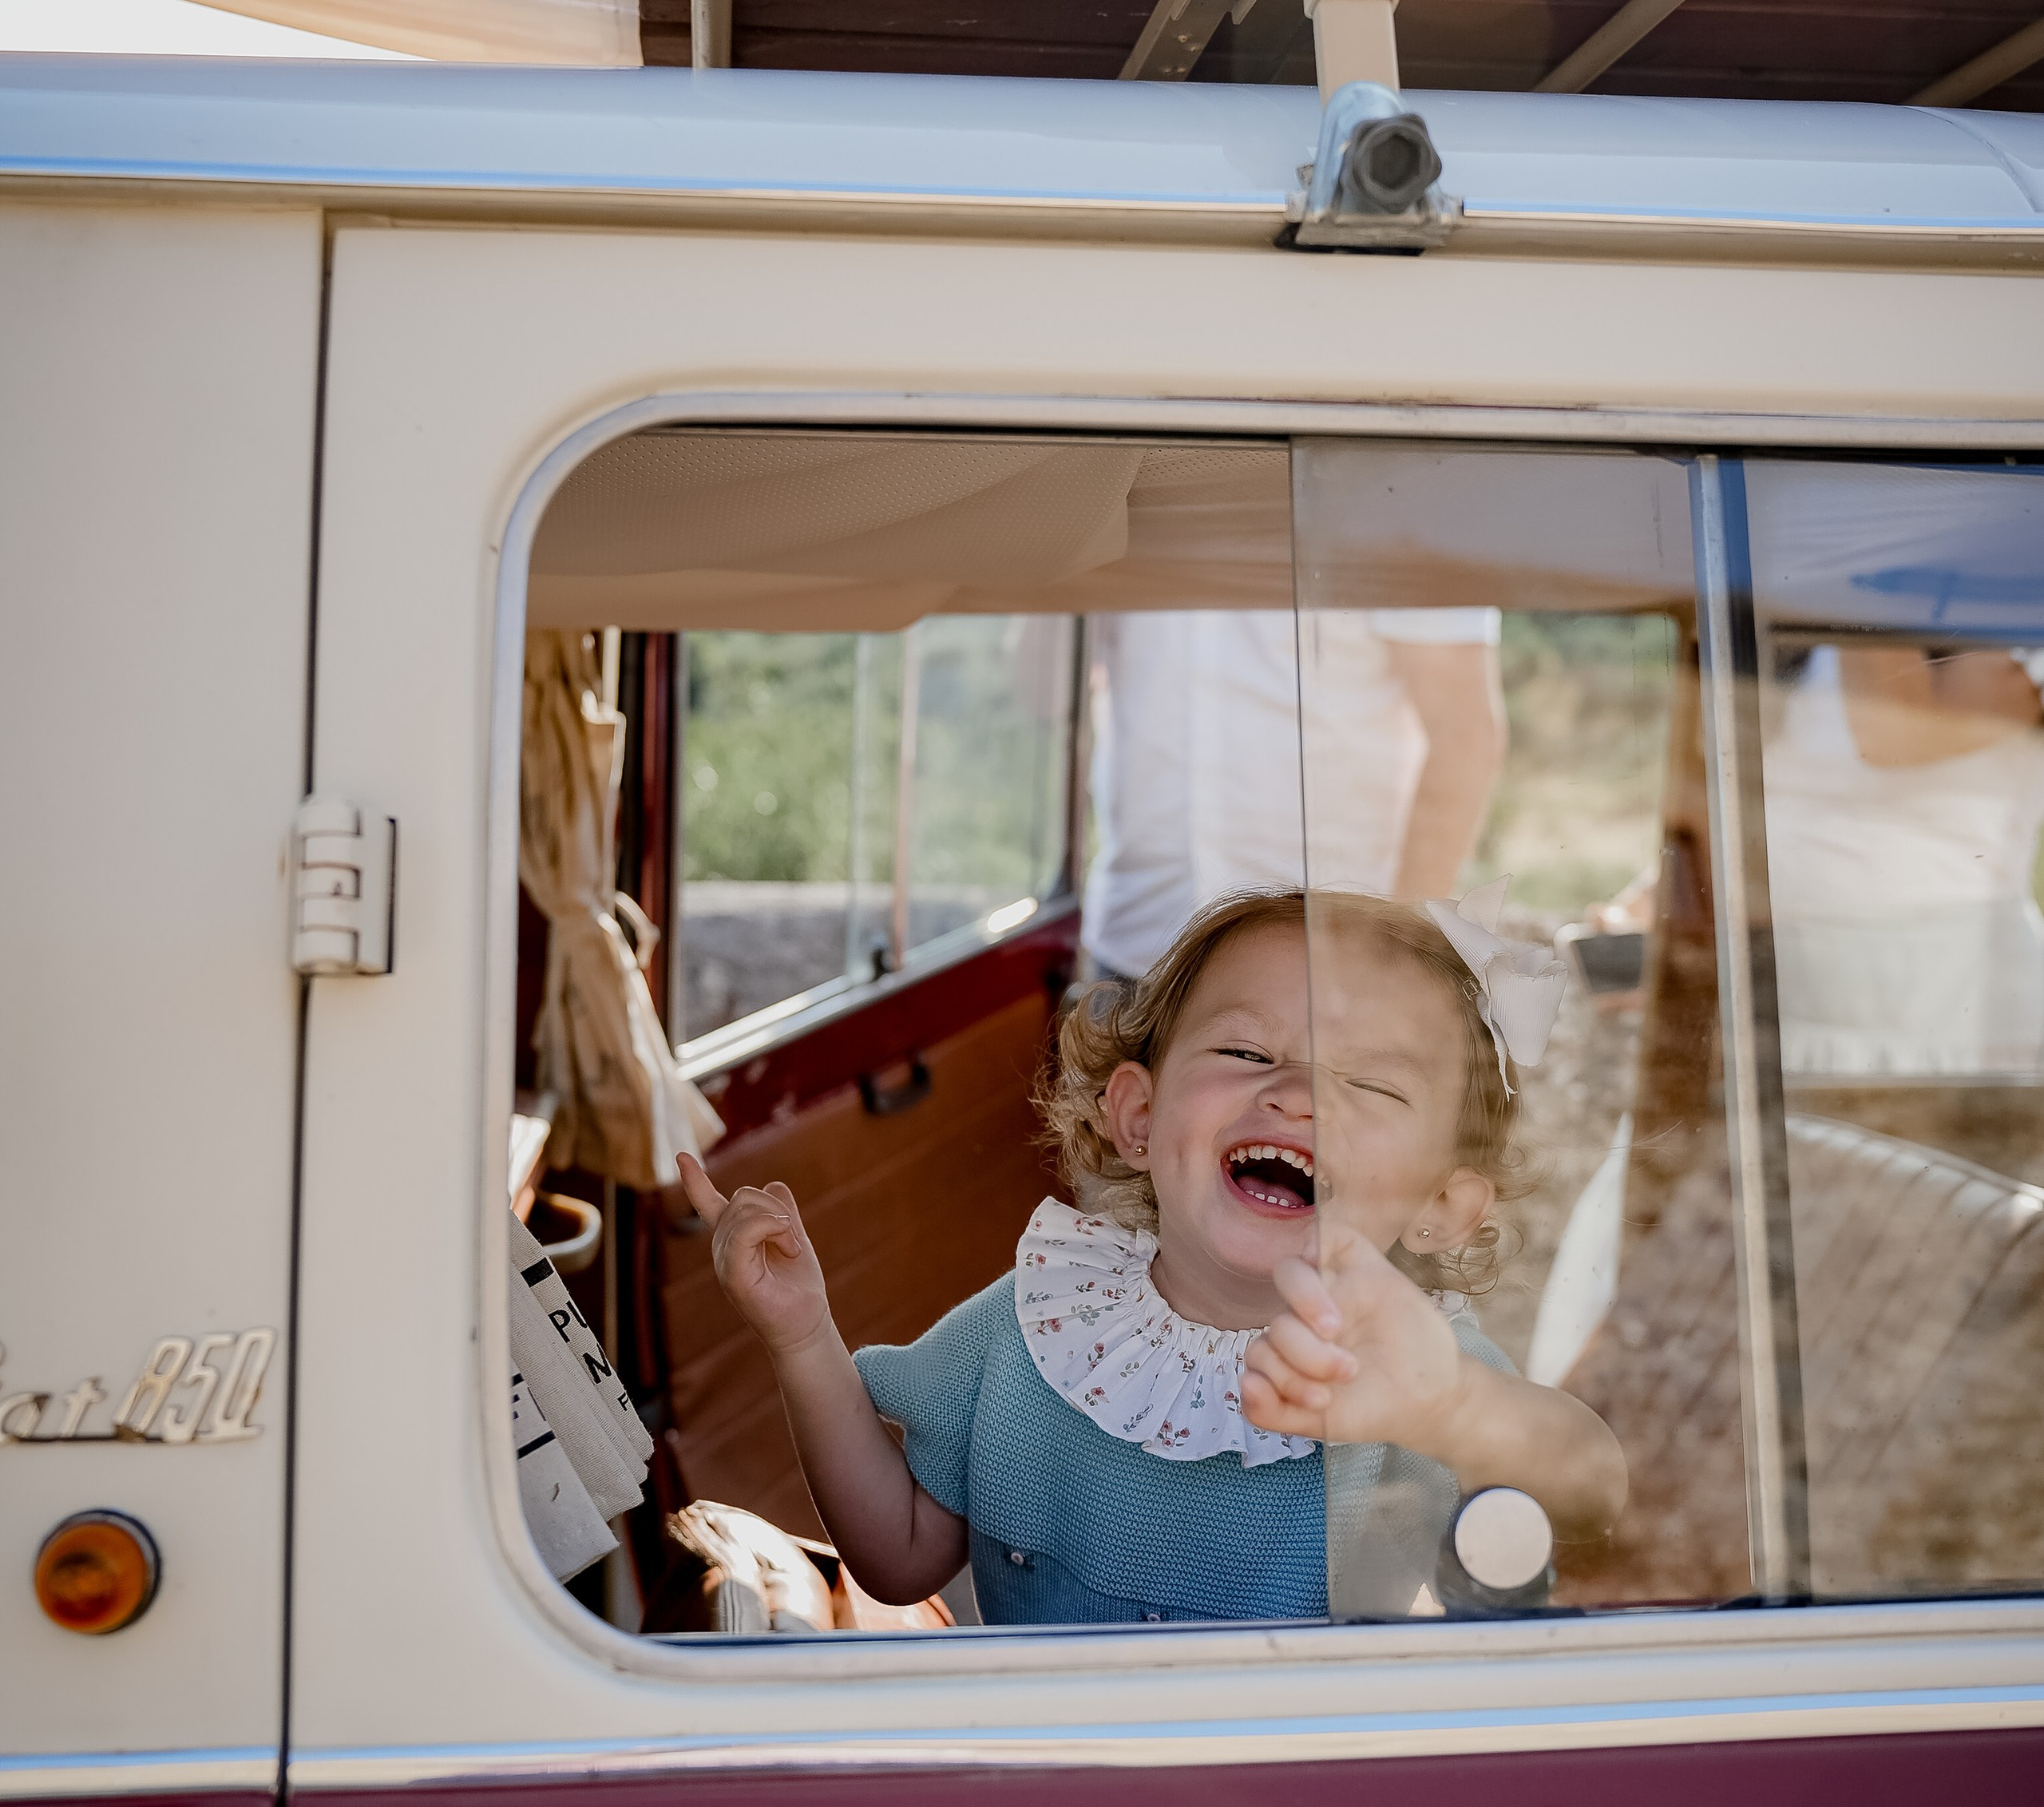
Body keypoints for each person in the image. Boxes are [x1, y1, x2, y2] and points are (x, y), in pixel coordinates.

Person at [675, 890, 1625, 1626]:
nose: (1296, 1096)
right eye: (1247, 1053)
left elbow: (1593, 1490)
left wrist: (1453, 1409)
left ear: (1442, 1206)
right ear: (1137, 1117)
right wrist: (802, 1339)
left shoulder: (1414, 1367)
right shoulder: (1042, 1325)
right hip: (1055, 1794)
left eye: (1370, 1082)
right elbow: (899, 1558)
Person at [1079, 608, 1505, 982]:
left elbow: (1463, 737)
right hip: (1136, 942)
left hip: (1332, 956)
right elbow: (1039, 692)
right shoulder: (1114, 519)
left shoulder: (1396, 517)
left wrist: (1395, 955)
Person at [1764, 641, 2044, 1076]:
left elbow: (1891, 734)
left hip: (1942, 994)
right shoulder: (1816, 639)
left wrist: (1854, 579)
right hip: (1797, 977)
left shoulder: (2013, 644)